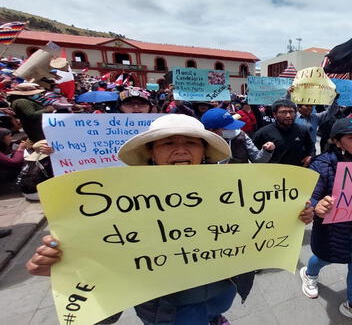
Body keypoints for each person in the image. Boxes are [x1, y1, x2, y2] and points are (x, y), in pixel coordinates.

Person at [26, 114, 315, 325]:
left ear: (204, 153)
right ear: (151, 153)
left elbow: (262, 223)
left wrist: (293, 217)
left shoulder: (234, 189)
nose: (181, 149)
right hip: (170, 310)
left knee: (215, 313)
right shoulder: (122, 201)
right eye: (167, 143)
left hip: (222, 292)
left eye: (191, 142)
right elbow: (98, 257)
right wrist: (62, 267)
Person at [299, 118, 352, 325]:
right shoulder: (322, 164)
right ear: (338, 142)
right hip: (334, 231)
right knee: (323, 258)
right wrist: (316, 206)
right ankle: (309, 273)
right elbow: (309, 196)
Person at [253, 99, 315, 167]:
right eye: (283, 112)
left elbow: (311, 146)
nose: (288, 115)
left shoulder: (302, 130)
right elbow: (254, 156)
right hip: (273, 174)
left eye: (291, 112)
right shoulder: (262, 133)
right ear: (274, 114)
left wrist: (310, 156)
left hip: (297, 171)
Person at [201, 108, 275, 163]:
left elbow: (257, 160)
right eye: (227, 128)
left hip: (240, 179)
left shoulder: (241, 136)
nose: (233, 129)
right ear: (211, 130)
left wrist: (267, 151)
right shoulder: (202, 141)